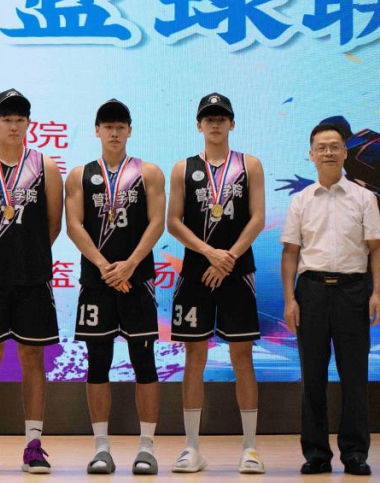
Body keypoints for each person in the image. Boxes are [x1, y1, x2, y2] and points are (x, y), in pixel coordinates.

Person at [0, 89, 63, 475]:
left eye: (20, 119)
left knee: (32, 358)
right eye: (7, 119)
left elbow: (53, 225)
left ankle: (34, 445)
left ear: (29, 124)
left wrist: (26, 255)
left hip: (32, 280)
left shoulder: (46, 166)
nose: (14, 126)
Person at [64, 99, 165, 475]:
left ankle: (147, 448)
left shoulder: (148, 172)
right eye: (108, 126)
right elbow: (74, 225)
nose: (114, 132)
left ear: (130, 130)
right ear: (97, 131)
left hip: (138, 281)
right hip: (97, 282)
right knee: (97, 363)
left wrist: (130, 264)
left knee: (144, 363)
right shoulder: (80, 175)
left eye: (121, 126)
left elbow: (157, 222)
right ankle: (101, 448)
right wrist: (105, 267)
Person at [167, 93, 265, 474]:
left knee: (242, 357)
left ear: (232, 123)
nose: (215, 122)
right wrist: (211, 253)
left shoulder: (249, 165)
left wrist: (229, 258)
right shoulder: (183, 168)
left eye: (222, 117)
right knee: (194, 357)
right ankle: (191, 448)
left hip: (237, 272)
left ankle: (250, 448)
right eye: (209, 117)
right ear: (199, 125)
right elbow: (173, 222)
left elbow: (257, 218)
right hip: (196, 272)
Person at [281, 122, 380, 476]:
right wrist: (290, 299)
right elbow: (290, 253)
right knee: (312, 376)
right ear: (311, 155)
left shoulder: (364, 198)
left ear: (344, 152)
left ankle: (354, 453)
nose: (328, 152)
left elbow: (375, 250)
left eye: (334, 146)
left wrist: (377, 293)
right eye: (321, 147)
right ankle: (316, 453)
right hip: (311, 292)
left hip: (354, 291)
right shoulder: (301, 201)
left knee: (354, 376)